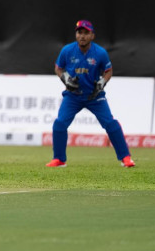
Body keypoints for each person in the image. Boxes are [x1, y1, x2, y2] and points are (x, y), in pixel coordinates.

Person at [46, 19, 135, 168]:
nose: (82, 36)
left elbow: (108, 71)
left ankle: (126, 158)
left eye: (86, 33)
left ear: (92, 35)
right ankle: (59, 159)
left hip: (94, 95)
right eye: (79, 32)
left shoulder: (100, 53)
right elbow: (58, 68)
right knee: (59, 123)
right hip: (73, 95)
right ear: (76, 35)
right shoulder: (67, 50)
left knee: (110, 123)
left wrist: (102, 83)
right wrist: (65, 79)